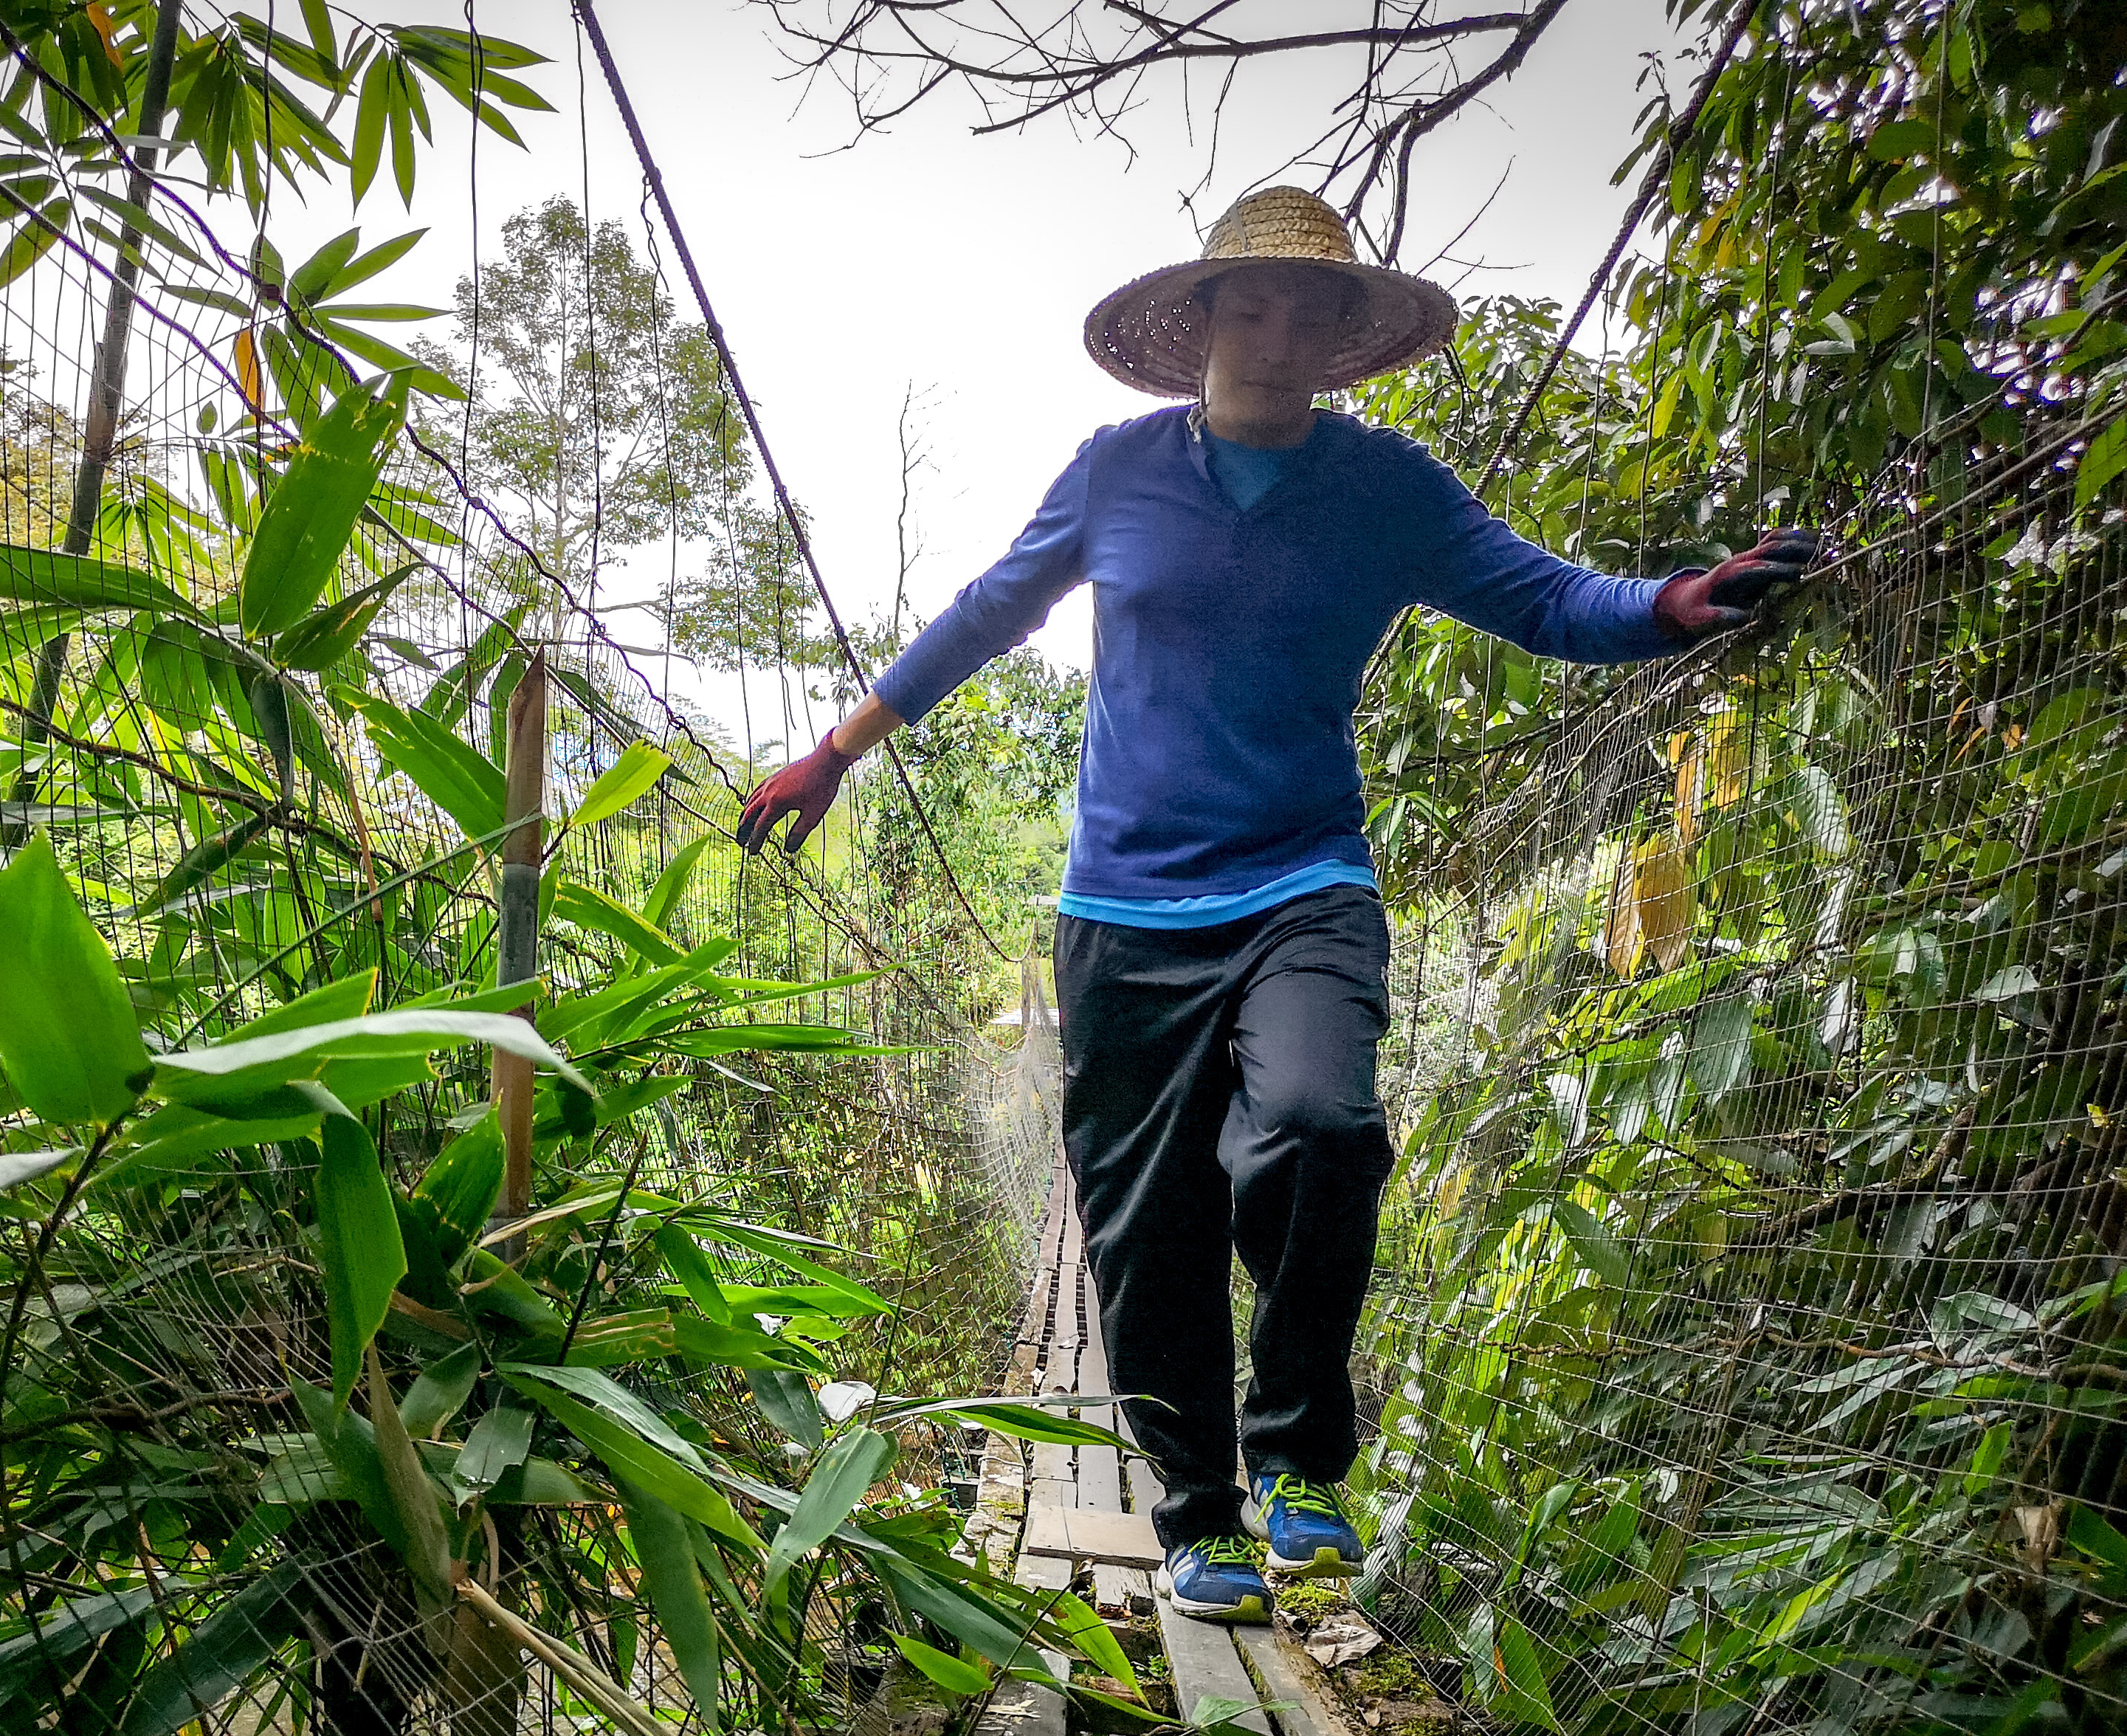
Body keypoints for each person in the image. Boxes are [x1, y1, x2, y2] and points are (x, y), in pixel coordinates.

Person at [735, 186, 1815, 1624]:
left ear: (1341, 335)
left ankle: (1298, 1459)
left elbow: (1548, 600)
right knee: (1149, 1222)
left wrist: (1672, 602)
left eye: (1313, 306)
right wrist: (836, 751)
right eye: (1254, 301)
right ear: (1201, 325)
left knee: (1315, 1127)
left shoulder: (1389, 493)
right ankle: (1199, 1517)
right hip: (1122, 910)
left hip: (1305, 882)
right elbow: (992, 610)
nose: (1281, 327)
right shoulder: (1117, 473)